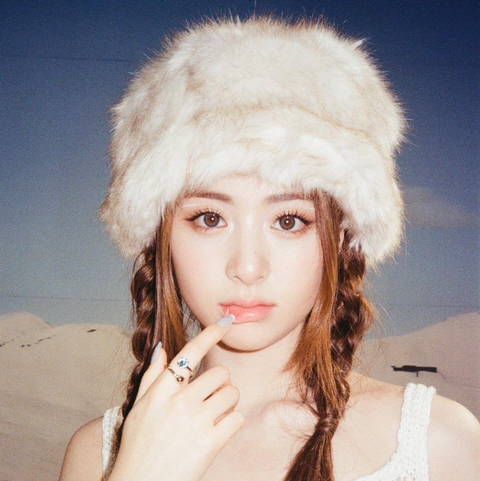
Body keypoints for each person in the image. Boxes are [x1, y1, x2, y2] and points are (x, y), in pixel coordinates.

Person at [59, 16, 479, 481]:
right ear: (161, 239)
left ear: (341, 240)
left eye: (288, 221)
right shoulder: (97, 455)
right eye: (210, 218)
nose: (248, 266)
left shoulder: (436, 443)